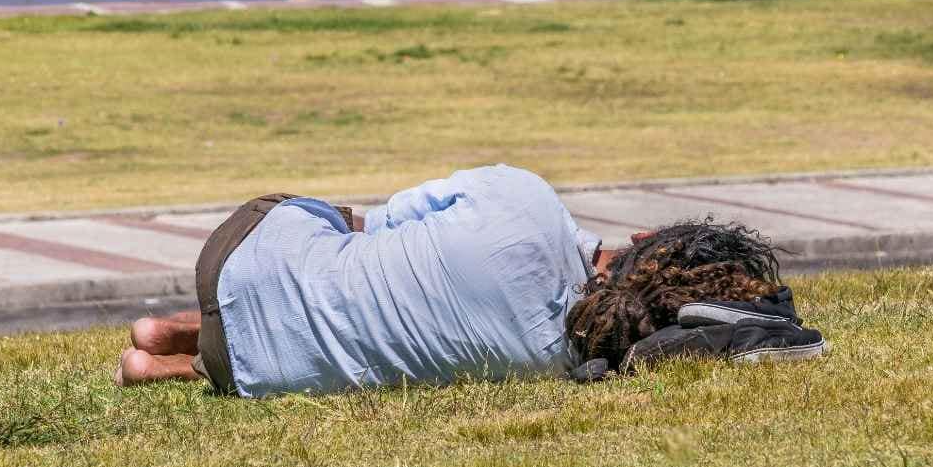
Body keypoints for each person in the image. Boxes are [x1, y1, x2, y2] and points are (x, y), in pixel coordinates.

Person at [115, 164, 824, 396]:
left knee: (354, 233)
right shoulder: (555, 359)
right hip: (249, 369)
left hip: (238, 252)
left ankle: (169, 326)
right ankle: (163, 360)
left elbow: (382, 226)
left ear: (644, 242)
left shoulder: (524, 199)